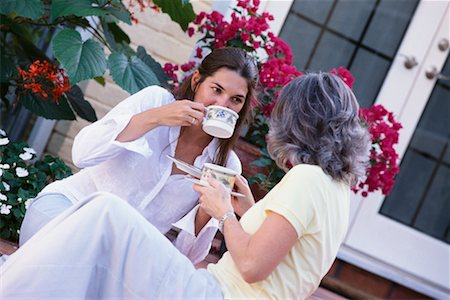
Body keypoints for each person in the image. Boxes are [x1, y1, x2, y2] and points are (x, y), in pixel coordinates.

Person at [1, 72, 371, 299]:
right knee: (100, 234)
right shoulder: (336, 191)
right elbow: (282, 261)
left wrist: (223, 211)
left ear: (297, 122)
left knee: (105, 212)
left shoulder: (306, 178)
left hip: (213, 294)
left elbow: (253, 266)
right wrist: (246, 210)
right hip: (209, 290)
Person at [18, 47, 259, 264]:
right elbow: (81, 154)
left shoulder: (226, 165)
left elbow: (188, 256)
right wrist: (155, 118)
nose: (222, 104)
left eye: (235, 100)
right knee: (83, 259)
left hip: (122, 251)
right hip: (68, 211)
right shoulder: (155, 100)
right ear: (197, 81)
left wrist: (209, 207)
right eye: (216, 90)